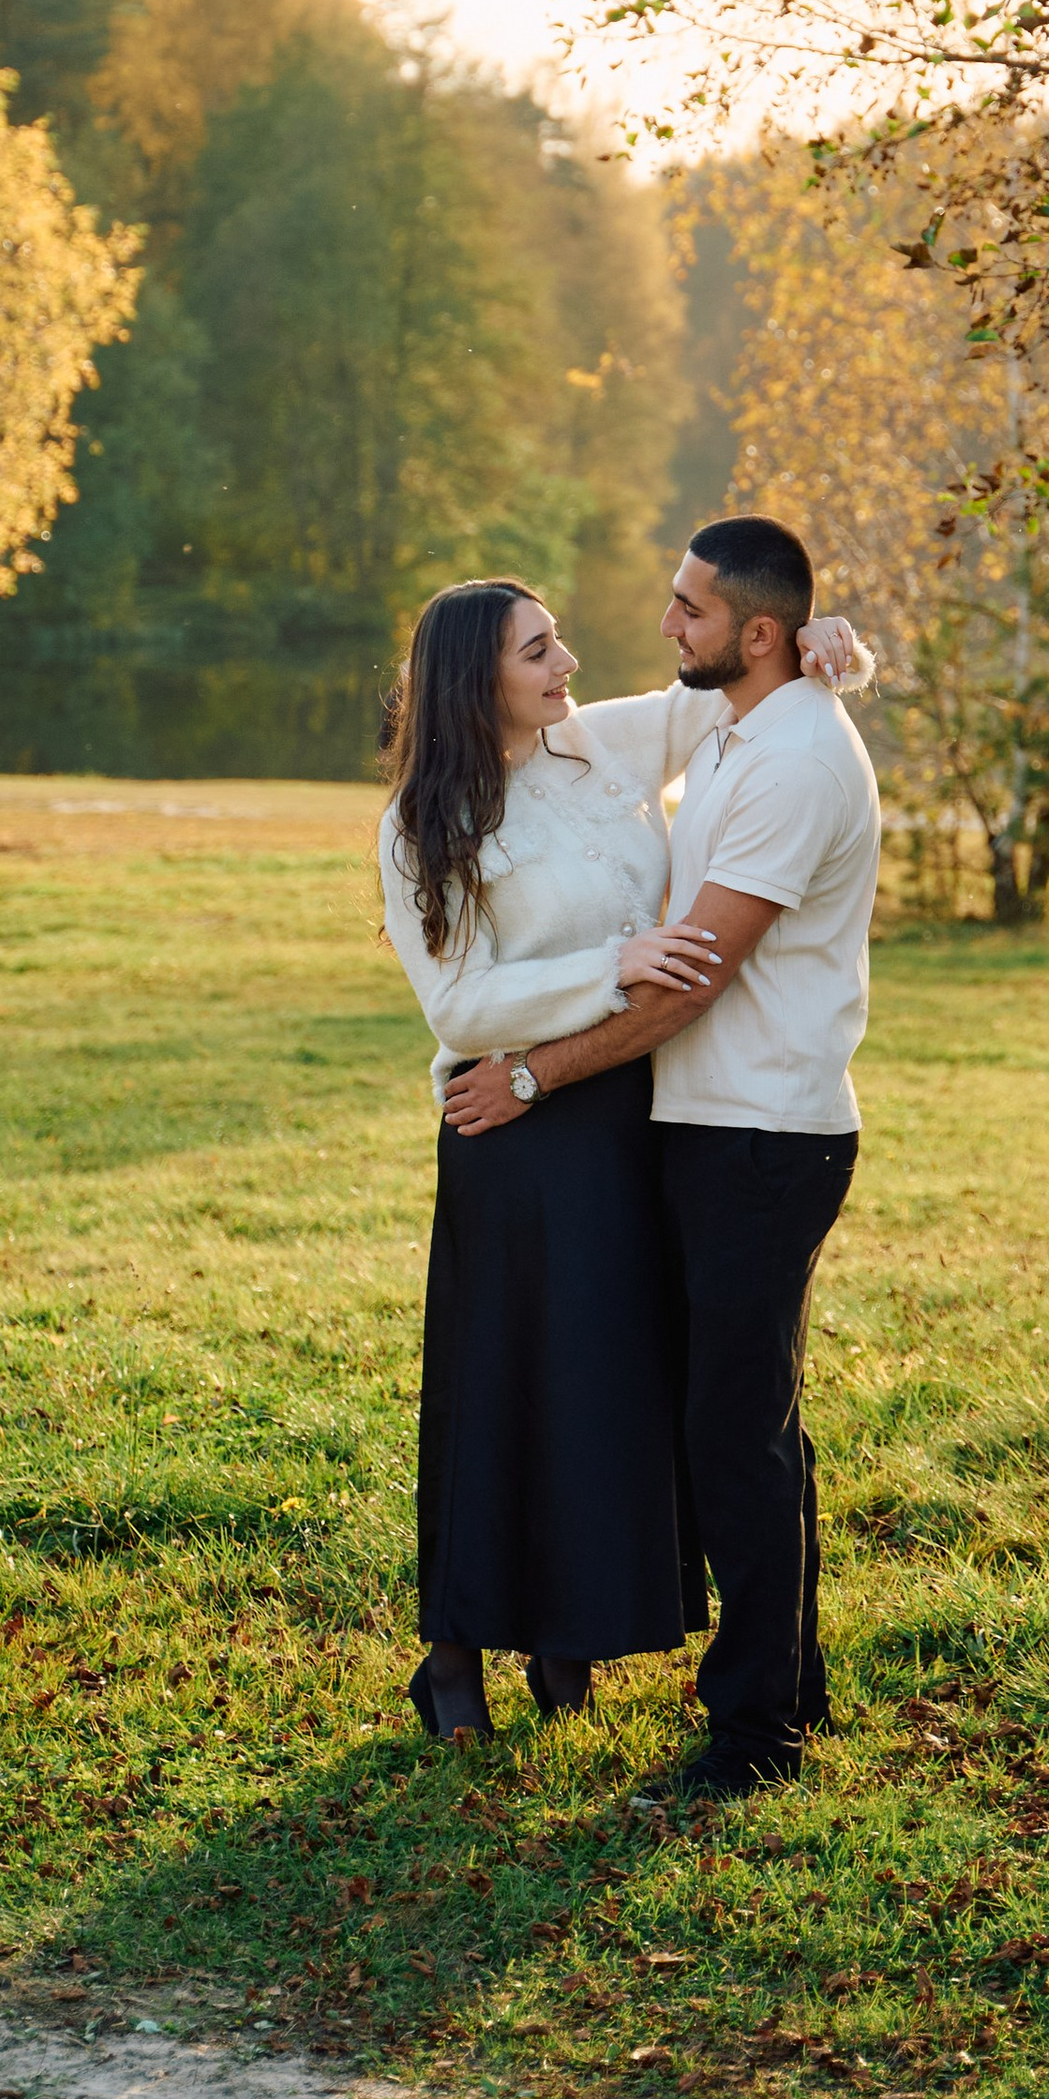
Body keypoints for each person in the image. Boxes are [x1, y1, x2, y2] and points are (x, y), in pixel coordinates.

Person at [379, 574, 866, 1742]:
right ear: (474, 679)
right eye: (539, 652)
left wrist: (833, 645)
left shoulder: (598, 745)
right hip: (512, 1126)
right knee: (503, 1386)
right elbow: (455, 1001)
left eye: (559, 642)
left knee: (608, 1390)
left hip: (630, 1109)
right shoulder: (422, 825)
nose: (568, 666)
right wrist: (615, 966)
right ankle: (452, 1651)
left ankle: (567, 1634)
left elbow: (735, 692)